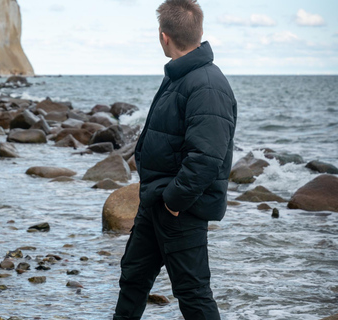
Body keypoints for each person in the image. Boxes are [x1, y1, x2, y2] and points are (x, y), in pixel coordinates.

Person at [113, 1, 237, 319]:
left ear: (163, 36)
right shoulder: (179, 75)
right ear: (199, 32)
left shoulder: (208, 85)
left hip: (179, 209)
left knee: (193, 295)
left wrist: (173, 201)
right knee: (133, 280)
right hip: (155, 201)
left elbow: (206, 157)